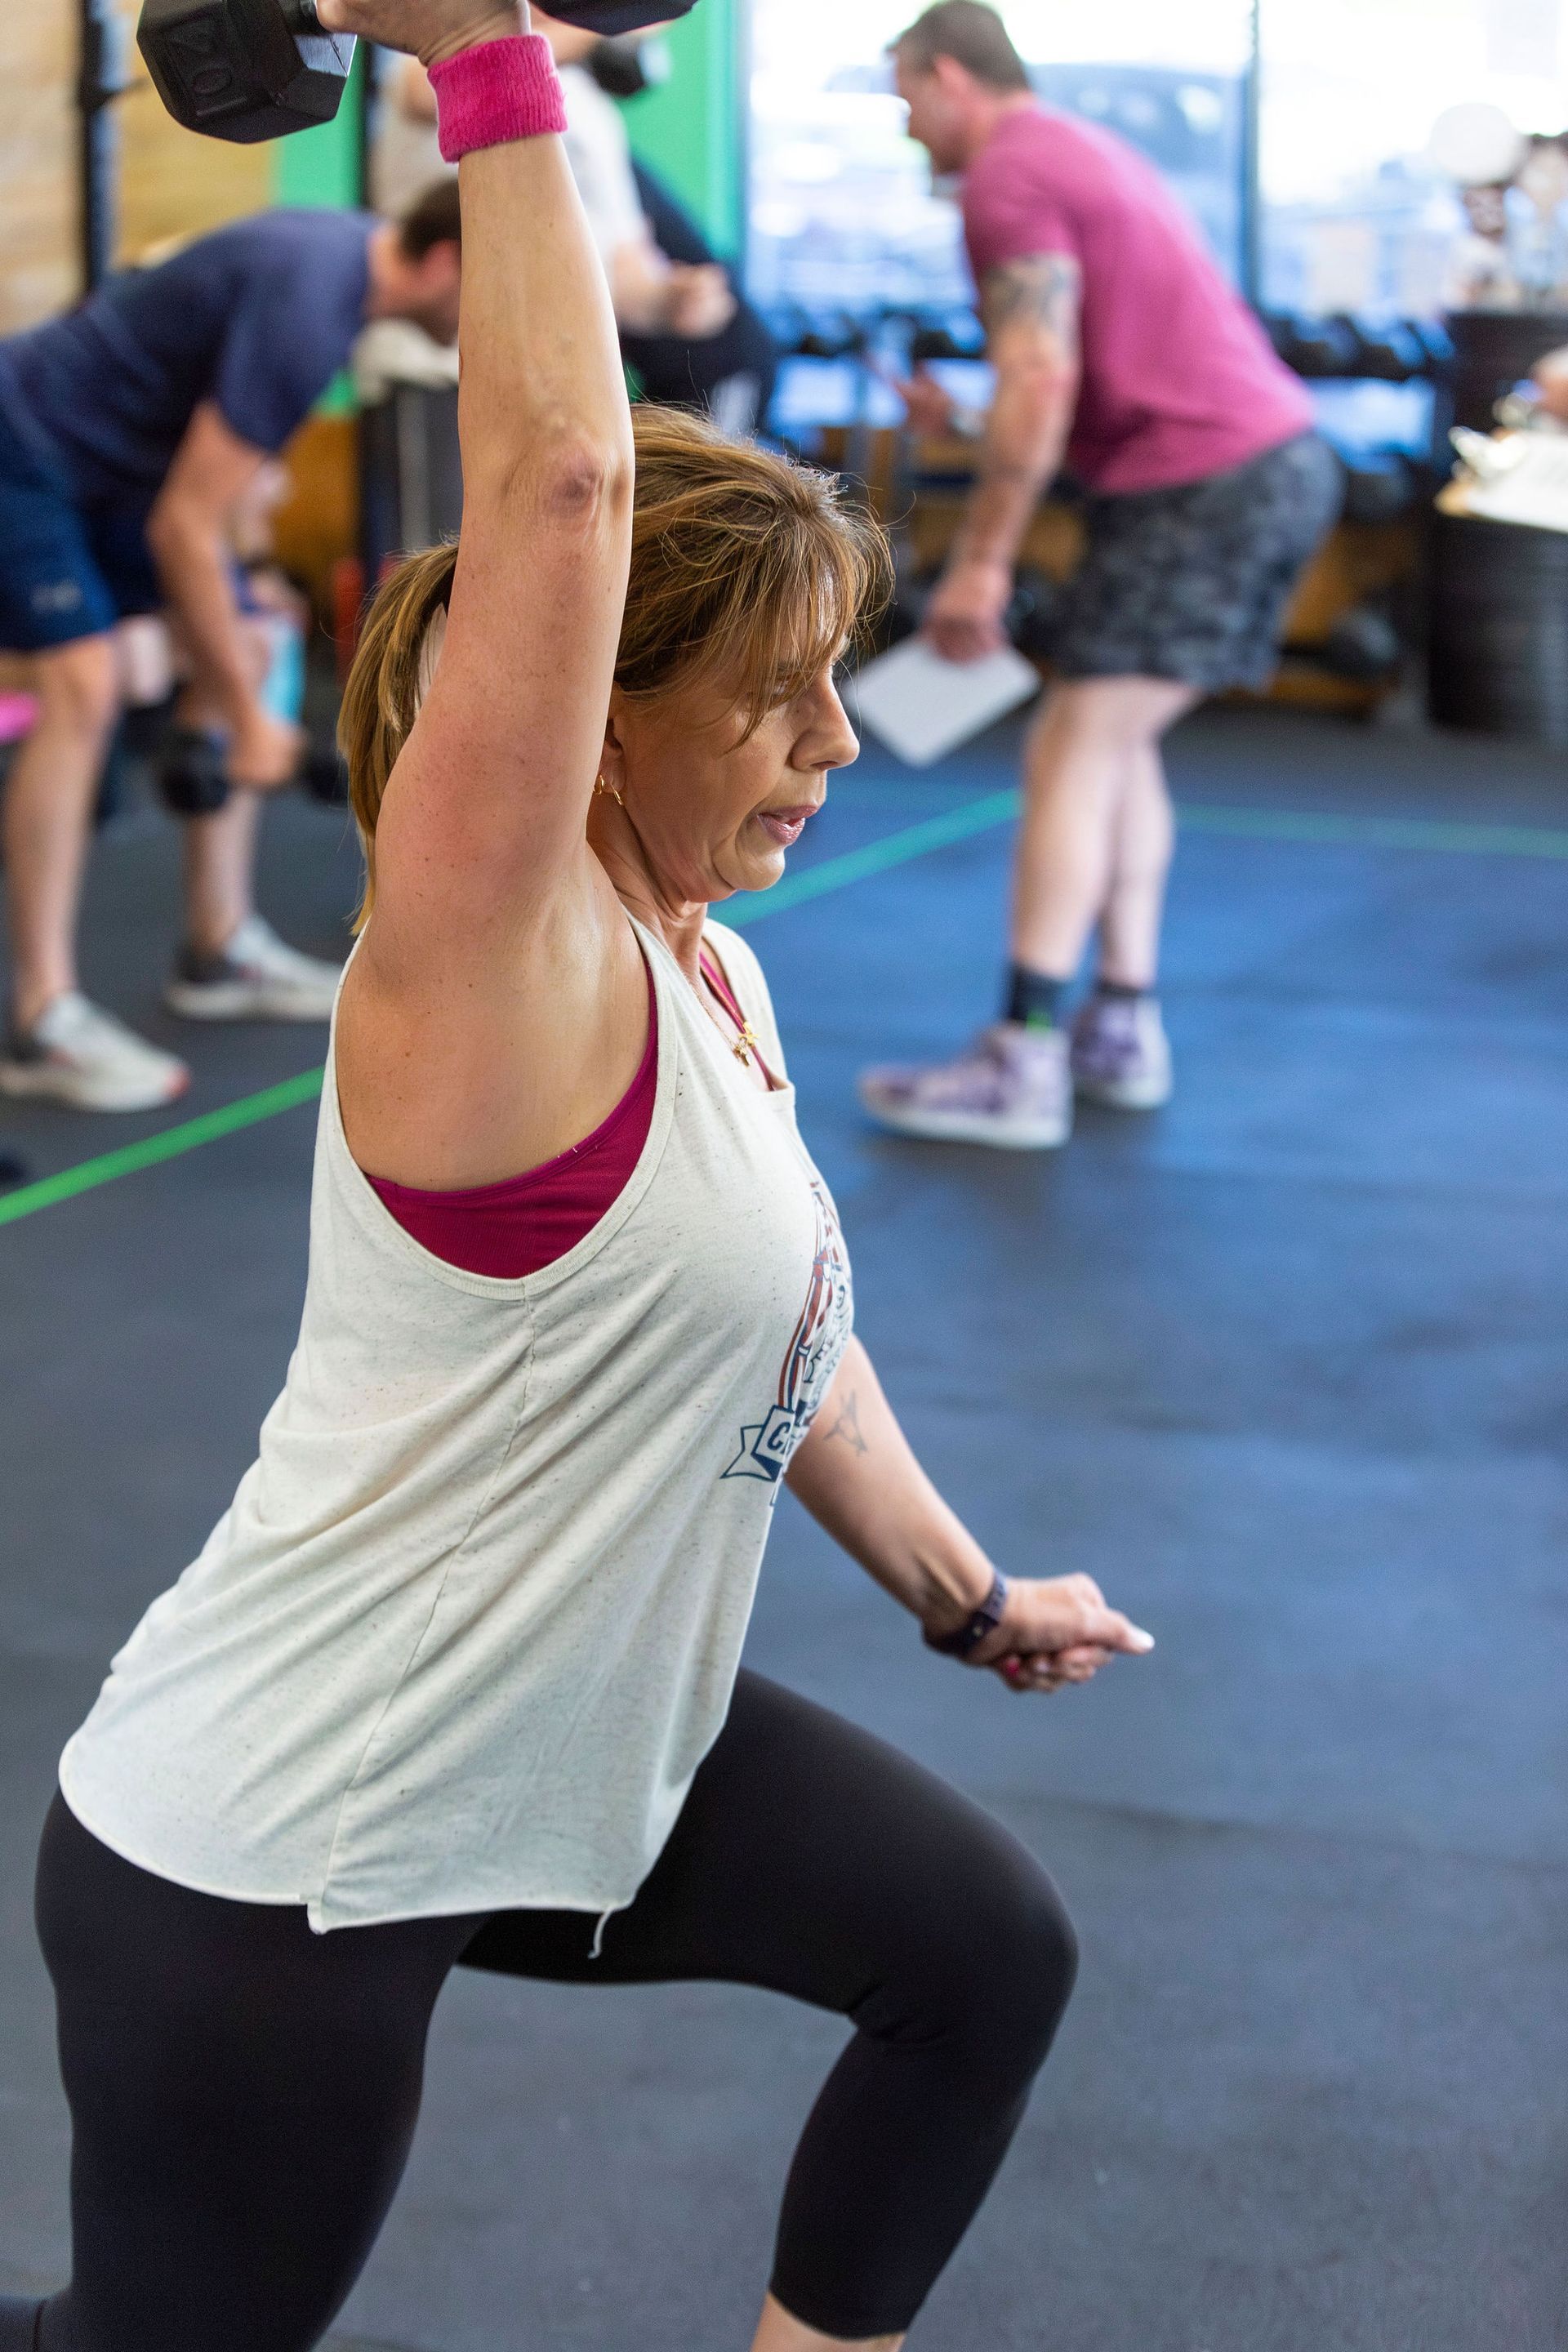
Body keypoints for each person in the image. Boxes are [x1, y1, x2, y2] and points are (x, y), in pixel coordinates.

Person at [0, 5, 1158, 2350]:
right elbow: (554, 491)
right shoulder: (499, 972)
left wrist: (957, 1591)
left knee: (981, 1956)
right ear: (597, 706)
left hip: (567, 1751)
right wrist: (482, 59)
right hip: (284, 1847)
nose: (840, 743)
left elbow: (783, 1333)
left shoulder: (707, 975)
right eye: (779, 694)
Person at [858, 0, 1341, 1151]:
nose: (908, 130)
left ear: (950, 78)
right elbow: (1088, 371)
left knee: (1074, 743)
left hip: (1207, 481)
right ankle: (1120, 1022)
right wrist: (969, 413)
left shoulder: (1006, 178)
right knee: (1117, 743)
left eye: (905, 101)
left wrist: (980, 562)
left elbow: (1044, 379)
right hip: (1254, 465)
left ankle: (1024, 1055)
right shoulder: (1071, 151)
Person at [0, 182, 466, 1114]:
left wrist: (236, 658)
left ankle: (217, 949)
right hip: (26, 446)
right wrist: (252, 725)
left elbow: (217, 503)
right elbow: (184, 530)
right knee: (83, 688)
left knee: (251, 627)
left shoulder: (341, 266)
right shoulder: (313, 305)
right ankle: (40, 1018)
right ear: (450, 263)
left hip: (115, 472)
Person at [376, 12, 737, 350]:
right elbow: (426, 93)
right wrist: (601, 25)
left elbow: (625, 275)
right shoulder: (440, 56)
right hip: (428, 367)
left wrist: (669, 301)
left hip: (533, 368)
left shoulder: (597, 117)